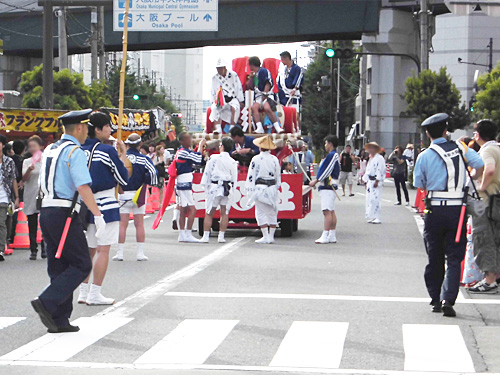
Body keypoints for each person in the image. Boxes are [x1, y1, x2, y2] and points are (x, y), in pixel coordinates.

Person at [32, 109, 106, 333]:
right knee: (82, 264)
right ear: (81, 128)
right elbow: (82, 185)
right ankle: (47, 300)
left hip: (46, 210)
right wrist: (98, 215)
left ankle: (59, 319)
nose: (87, 133)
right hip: (65, 213)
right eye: (87, 128)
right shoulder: (75, 151)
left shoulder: (50, 149)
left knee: (58, 264)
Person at [413, 113, 484, 317]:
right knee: (454, 256)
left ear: (428, 134)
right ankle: (448, 299)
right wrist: (468, 179)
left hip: (434, 210)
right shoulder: (461, 148)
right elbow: (479, 165)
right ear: (446, 131)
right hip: (458, 212)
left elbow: (419, 184)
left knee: (434, 255)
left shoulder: (424, 155)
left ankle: (435, 298)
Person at [78, 112, 129, 305]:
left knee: (89, 250)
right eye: (108, 126)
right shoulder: (106, 151)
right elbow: (124, 178)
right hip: (105, 204)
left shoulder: (79, 150)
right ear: (98, 129)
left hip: (85, 204)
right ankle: (95, 293)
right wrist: (122, 155)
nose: (111, 129)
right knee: (103, 250)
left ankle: (83, 292)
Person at [114, 133, 158, 261]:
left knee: (122, 224)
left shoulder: (122, 158)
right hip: (139, 195)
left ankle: (120, 253)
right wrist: (147, 181)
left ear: (127, 144)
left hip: (123, 194)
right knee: (139, 224)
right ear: (140, 144)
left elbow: (114, 173)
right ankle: (140, 253)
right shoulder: (144, 159)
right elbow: (153, 173)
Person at [468, 119, 500, 294]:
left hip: (486, 203)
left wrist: (482, 186)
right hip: (497, 200)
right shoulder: (497, 148)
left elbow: (489, 170)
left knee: (484, 240)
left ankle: (489, 281)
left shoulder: (487, 150)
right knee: (495, 240)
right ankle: (494, 277)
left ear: (478, 134)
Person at [200, 137, 238, 243]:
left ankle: (206, 236)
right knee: (224, 212)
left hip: (214, 187)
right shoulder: (232, 162)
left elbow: (207, 173)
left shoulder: (214, 158)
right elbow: (234, 178)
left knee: (209, 212)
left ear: (222, 146)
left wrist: (205, 186)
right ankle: (221, 236)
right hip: (227, 187)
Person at [246, 135, 281, 244]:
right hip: (271, 187)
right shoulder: (274, 159)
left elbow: (251, 174)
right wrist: (276, 186)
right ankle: (271, 236)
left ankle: (265, 236)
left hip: (260, 187)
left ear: (260, 147)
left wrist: (250, 189)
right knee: (272, 212)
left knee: (260, 212)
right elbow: (278, 175)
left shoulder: (256, 159)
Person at [174, 132, 206, 243]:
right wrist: (201, 146)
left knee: (183, 209)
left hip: (182, 182)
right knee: (192, 209)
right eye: (188, 139)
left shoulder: (181, 152)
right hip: (184, 183)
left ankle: (182, 234)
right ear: (182, 141)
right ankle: (187, 233)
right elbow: (198, 159)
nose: (190, 140)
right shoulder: (183, 152)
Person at [309, 135, 340, 244]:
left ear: (330, 143)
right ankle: (332, 234)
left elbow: (327, 170)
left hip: (328, 186)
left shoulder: (332, 155)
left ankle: (325, 235)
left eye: (326, 143)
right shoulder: (333, 155)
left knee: (327, 211)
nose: (325, 145)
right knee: (331, 211)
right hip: (330, 186)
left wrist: (316, 180)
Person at [21, 136, 45, 260]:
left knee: (45, 222)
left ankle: (44, 247)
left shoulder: (46, 160)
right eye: (29, 146)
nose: (32, 149)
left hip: (43, 194)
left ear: (41, 147)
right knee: (32, 223)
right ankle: (33, 249)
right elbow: (24, 179)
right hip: (30, 194)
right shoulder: (27, 161)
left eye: (34, 146)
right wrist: (29, 170)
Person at [247, 56, 283, 134]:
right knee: (254, 108)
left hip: (268, 94)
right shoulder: (254, 75)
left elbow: (268, 83)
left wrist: (265, 94)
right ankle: (259, 127)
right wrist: (251, 78)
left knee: (267, 107)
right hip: (258, 96)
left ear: (252, 65)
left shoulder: (263, 71)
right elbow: (250, 87)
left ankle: (277, 127)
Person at [209, 58, 244, 134]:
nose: (219, 70)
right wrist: (213, 101)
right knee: (214, 108)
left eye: (220, 68)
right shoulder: (214, 78)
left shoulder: (233, 75)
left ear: (224, 68)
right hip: (221, 99)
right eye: (217, 68)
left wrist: (241, 100)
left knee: (235, 108)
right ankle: (218, 128)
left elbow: (238, 87)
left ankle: (232, 127)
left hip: (232, 98)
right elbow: (213, 91)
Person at [0, 135, 19, 262]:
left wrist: (16, 197)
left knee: (1, 223)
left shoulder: (8, 161)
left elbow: (13, 180)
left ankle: (1, 249)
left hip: (3, 196)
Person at [362, 142, 386, 224]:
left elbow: (380, 170)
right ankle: (372, 215)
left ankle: (377, 217)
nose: (370, 150)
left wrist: (377, 180)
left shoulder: (380, 158)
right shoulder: (371, 159)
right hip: (370, 181)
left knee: (376, 199)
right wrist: (365, 181)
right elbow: (368, 170)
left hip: (375, 181)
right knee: (370, 199)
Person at [7, 140, 25, 245]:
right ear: (24, 149)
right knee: (19, 212)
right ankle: (13, 236)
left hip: (10, 188)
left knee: (11, 213)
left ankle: (11, 236)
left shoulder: (9, 160)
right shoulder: (25, 160)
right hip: (22, 188)